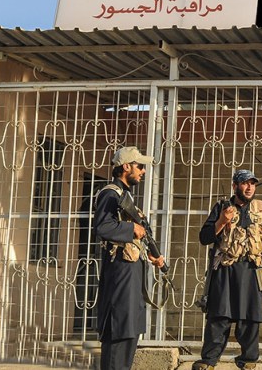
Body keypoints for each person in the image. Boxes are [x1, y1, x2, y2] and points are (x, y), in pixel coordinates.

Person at [193, 170, 262, 370]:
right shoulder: (221, 207)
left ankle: (248, 360)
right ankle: (209, 361)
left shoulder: (261, 210)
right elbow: (204, 237)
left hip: (251, 271)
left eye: (253, 184)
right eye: (245, 183)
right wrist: (222, 222)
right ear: (235, 186)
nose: (250, 187)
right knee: (219, 317)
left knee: (250, 319)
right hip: (224, 271)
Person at [94, 146, 166, 370]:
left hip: (130, 272)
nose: (143, 171)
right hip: (119, 272)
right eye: (140, 166)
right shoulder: (110, 193)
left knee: (130, 329)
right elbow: (103, 226)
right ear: (126, 167)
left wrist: (155, 256)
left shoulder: (125, 195)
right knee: (119, 330)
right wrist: (131, 227)